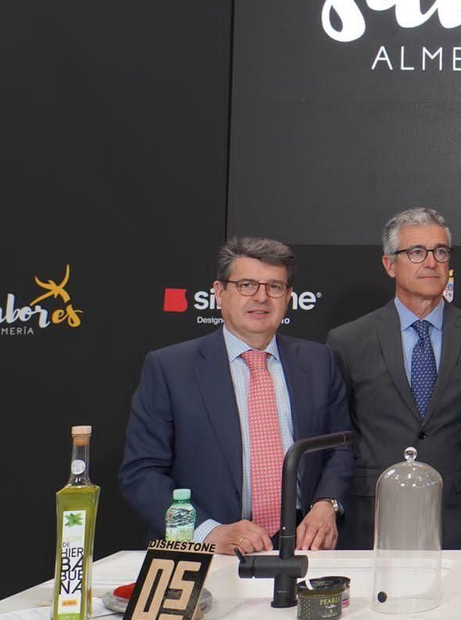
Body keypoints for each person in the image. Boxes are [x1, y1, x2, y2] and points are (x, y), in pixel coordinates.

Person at [121, 237, 352, 553]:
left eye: (274, 287)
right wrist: (205, 532)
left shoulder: (319, 361)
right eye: (246, 285)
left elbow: (341, 448)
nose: (261, 297)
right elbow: (142, 474)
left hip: (303, 547)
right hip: (211, 550)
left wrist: (327, 504)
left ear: (288, 297)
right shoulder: (169, 368)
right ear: (219, 293)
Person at [327, 208, 461, 549]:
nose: (431, 262)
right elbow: (339, 435)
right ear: (390, 264)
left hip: (458, 514)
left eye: (440, 252)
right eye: (417, 252)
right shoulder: (348, 340)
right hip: (373, 515)